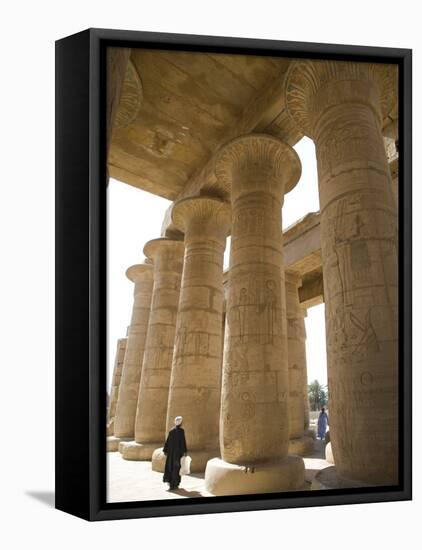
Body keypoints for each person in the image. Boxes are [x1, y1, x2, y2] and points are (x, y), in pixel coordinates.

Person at [163, 416, 187, 490]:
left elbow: (167, 442)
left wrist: (165, 451)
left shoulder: (171, 431)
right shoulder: (181, 431)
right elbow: (183, 442)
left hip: (171, 454)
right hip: (178, 454)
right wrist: (184, 451)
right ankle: (175, 484)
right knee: (176, 469)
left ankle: (171, 483)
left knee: (171, 467)